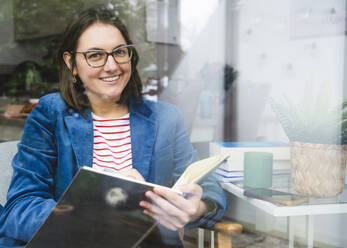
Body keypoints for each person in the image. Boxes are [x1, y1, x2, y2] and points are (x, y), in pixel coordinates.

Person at [0, 7, 227, 247]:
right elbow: (21, 205)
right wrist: (95, 211)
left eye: (120, 52)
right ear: (71, 63)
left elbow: (208, 186)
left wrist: (198, 207)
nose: (111, 66)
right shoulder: (50, 113)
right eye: (95, 55)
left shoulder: (166, 117)